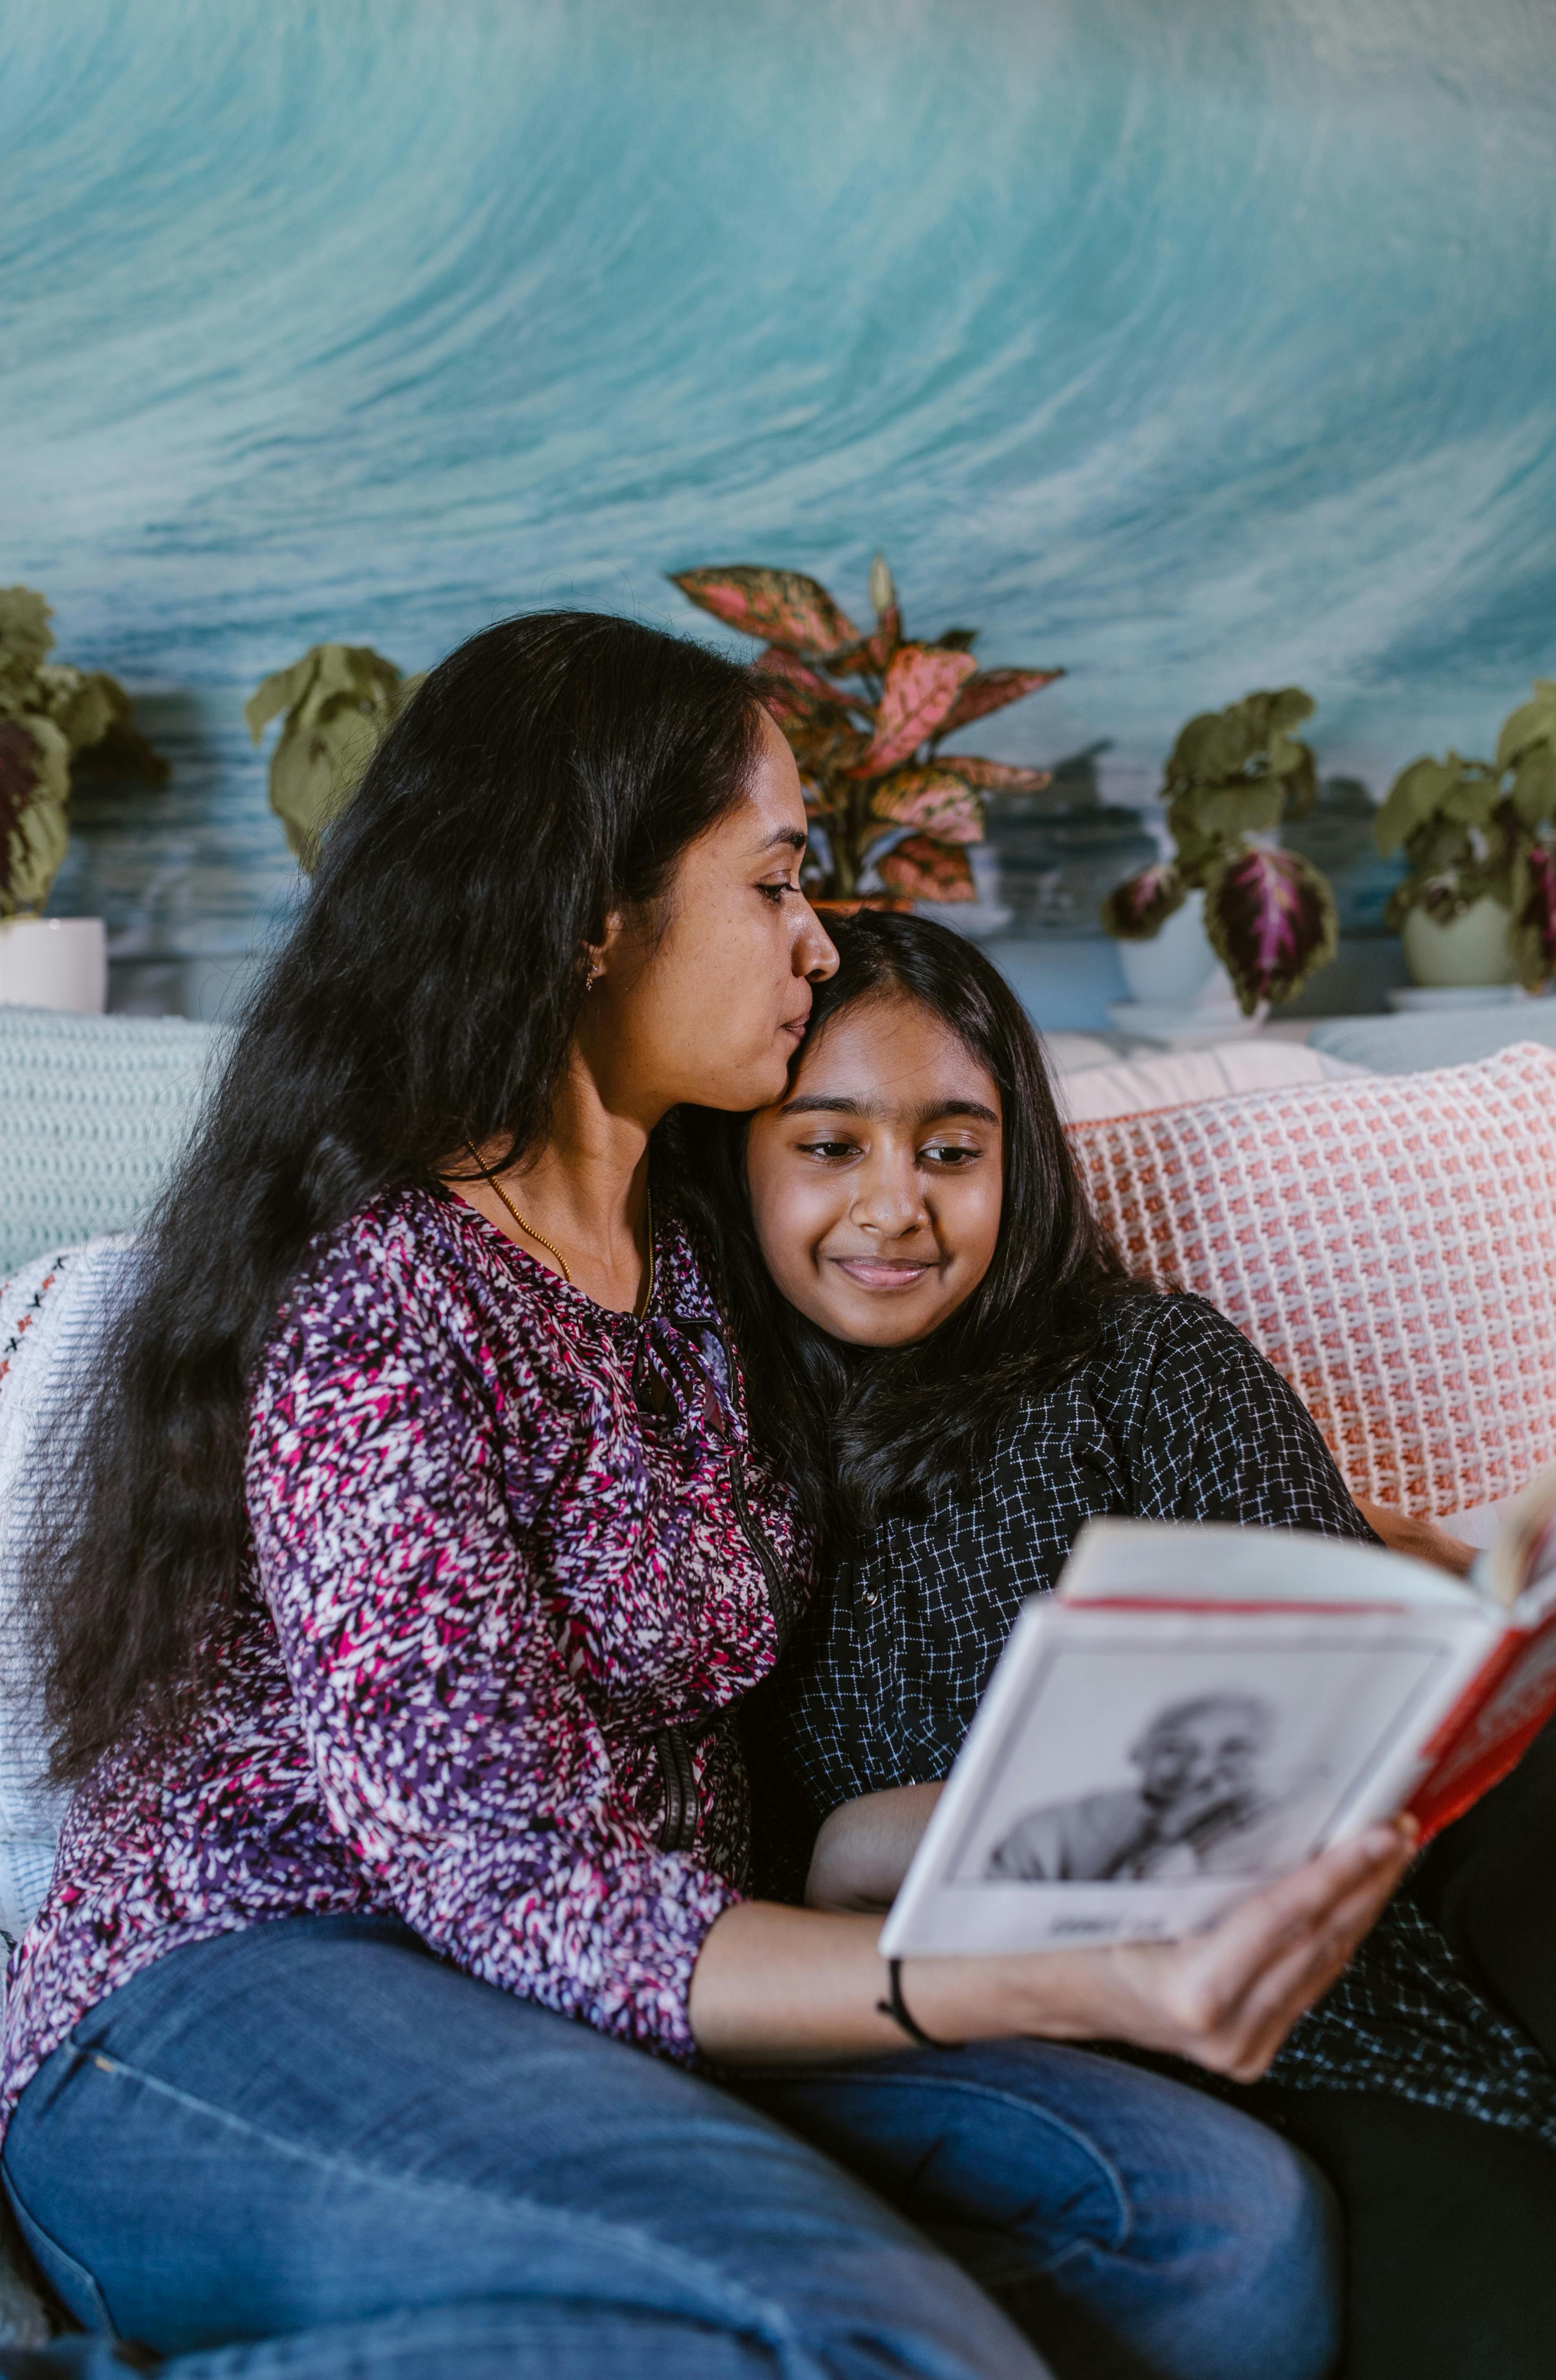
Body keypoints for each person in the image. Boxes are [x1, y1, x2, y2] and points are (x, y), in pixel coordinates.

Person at [0, 616, 1412, 2380]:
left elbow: (976, 1380)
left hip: (616, 2006)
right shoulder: (374, 1302)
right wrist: (1056, 1982)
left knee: (1221, 2237)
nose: (816, 944)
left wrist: (1407, 1578)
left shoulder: (698, 1252)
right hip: (257, 1994)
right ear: (596, 913)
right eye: (773, 884)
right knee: (841, 2323)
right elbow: (516, 1886)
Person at [672, 904, 1556, 2380]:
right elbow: (741, 1906)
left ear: (1012, 1163)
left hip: (1375, 1889)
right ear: (738, 1161)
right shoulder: (707, 1474)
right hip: (1081, 2036)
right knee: (1514, 2283)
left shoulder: (1144, 1362)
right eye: (830, 1145)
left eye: (952, 1149)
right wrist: (864, 1846)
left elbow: (1337, 1653)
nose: (897, 1205)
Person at [986, 1694, 1286, 1882]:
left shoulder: (1275, 1828)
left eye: (1234, 1751)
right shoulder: (1048, 1830)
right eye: (1176, 1749)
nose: (1202, 1771)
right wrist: (1168, 1836)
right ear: (1138, 1752)